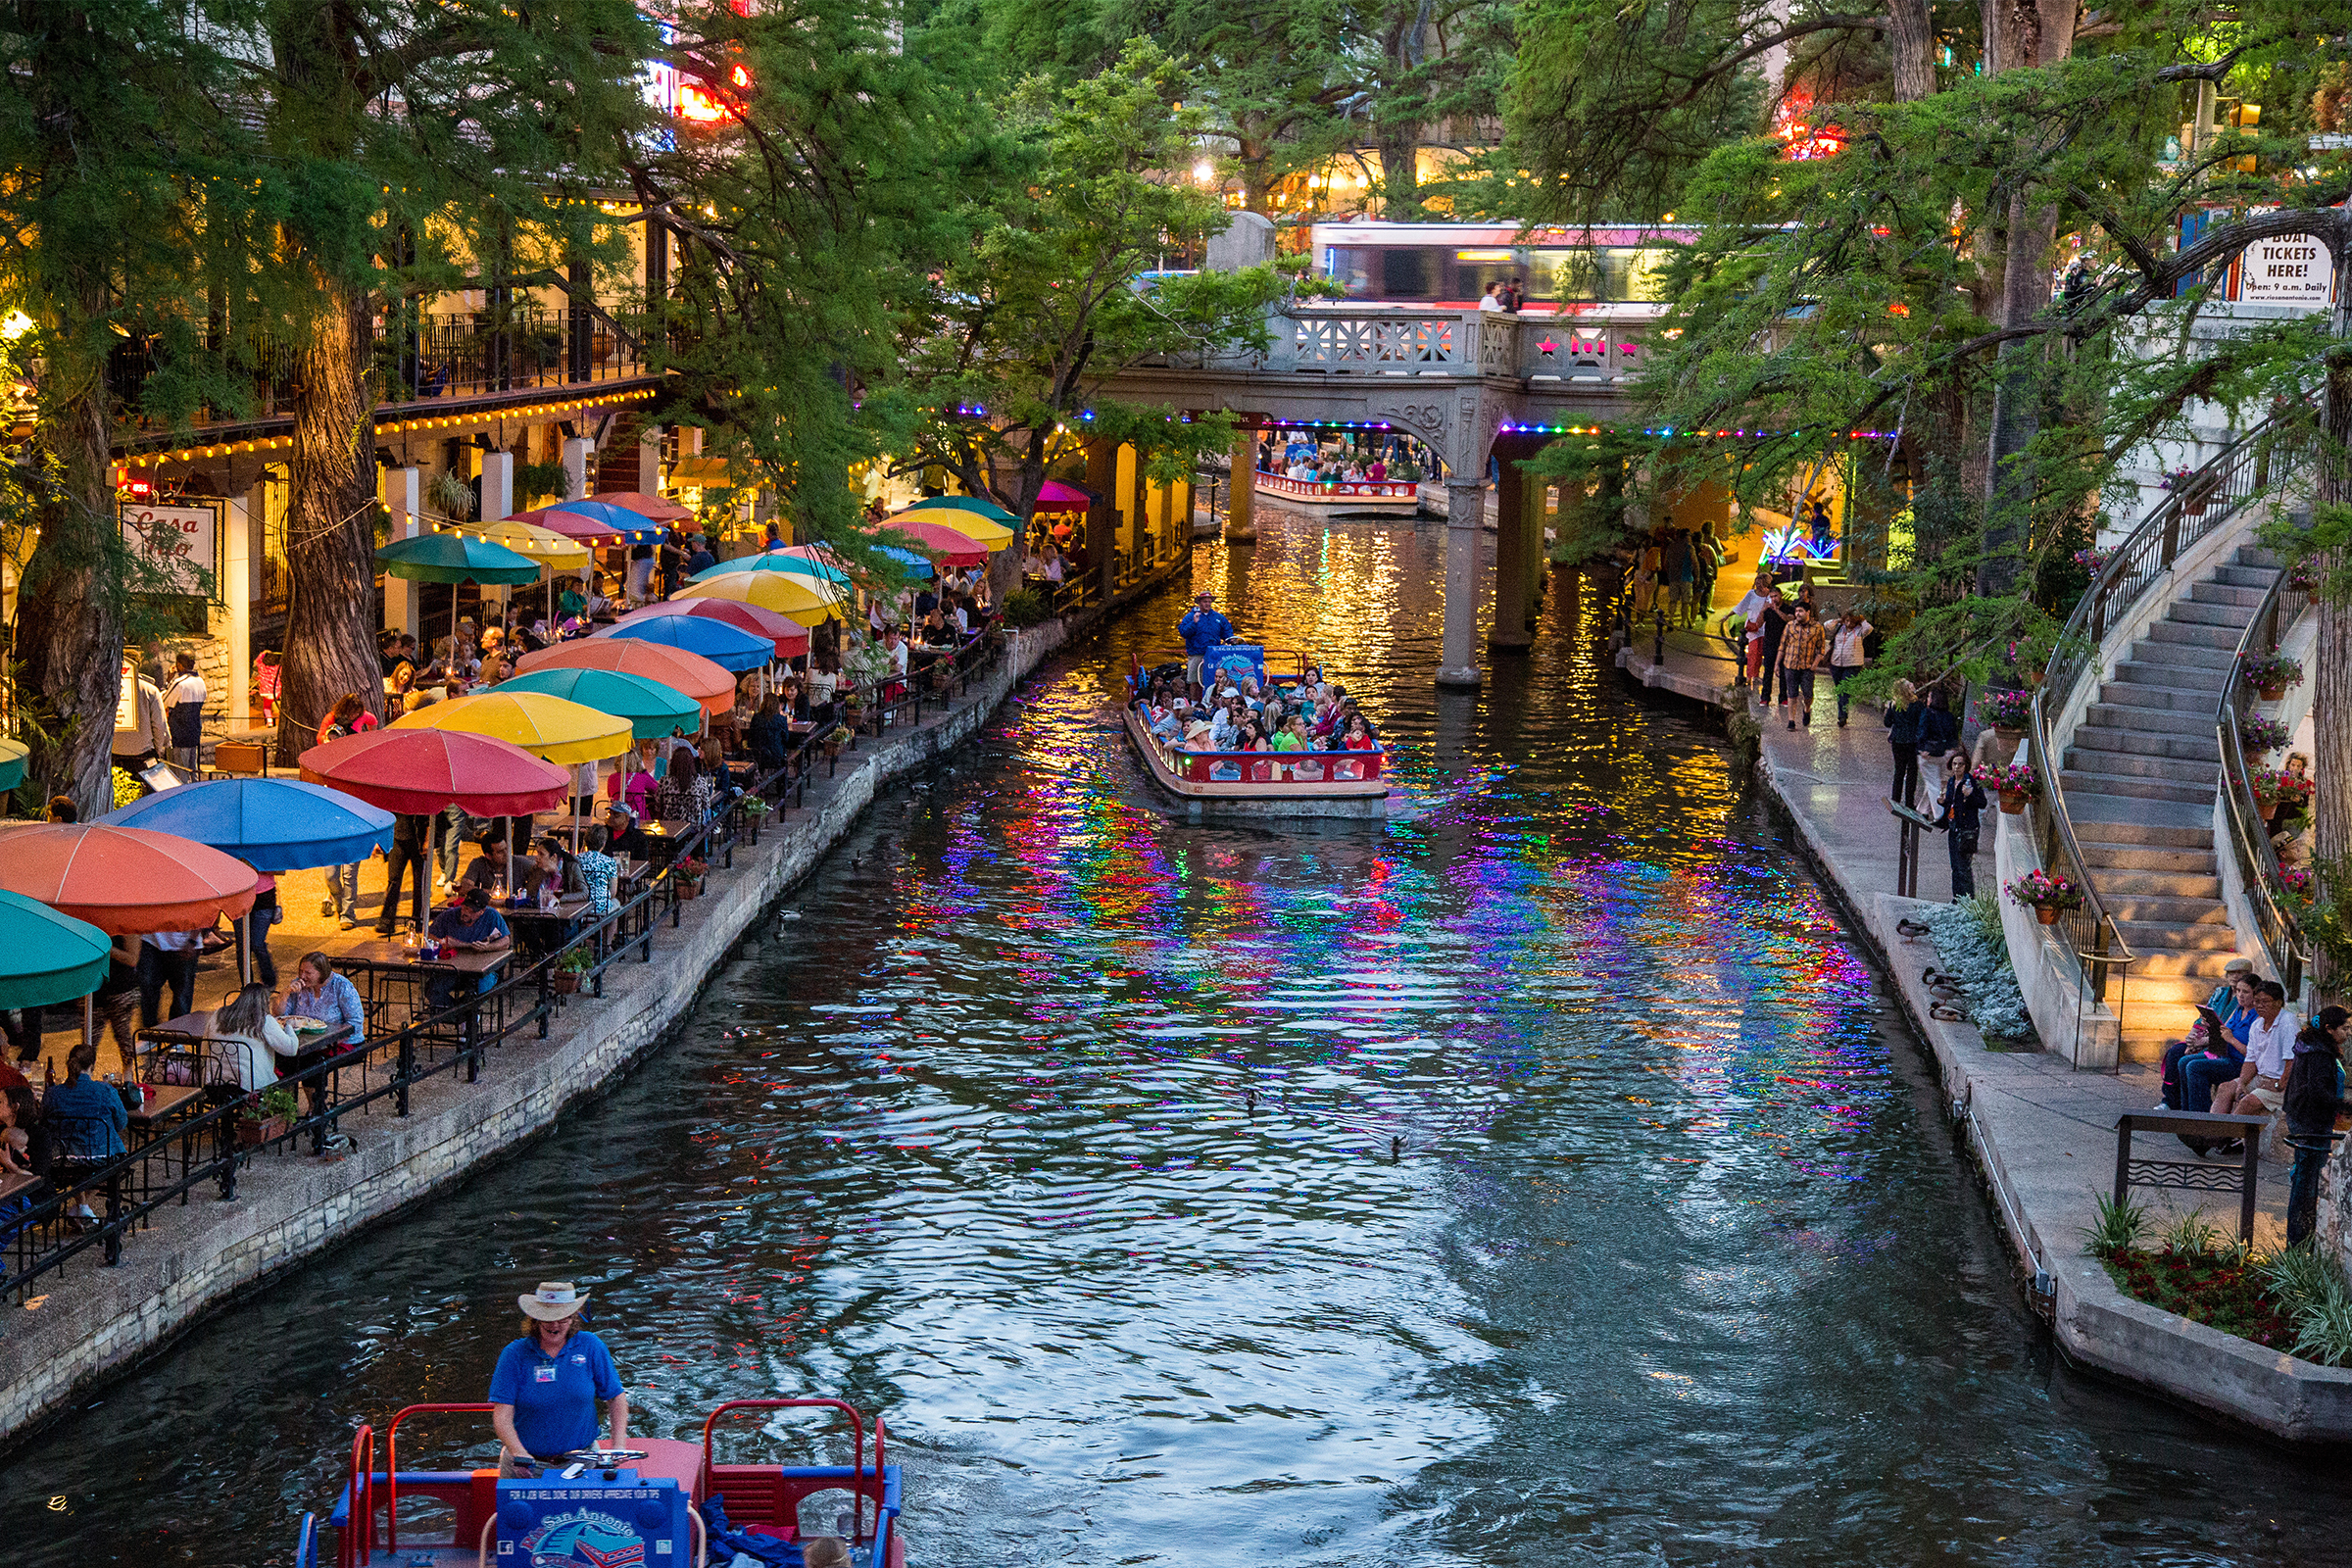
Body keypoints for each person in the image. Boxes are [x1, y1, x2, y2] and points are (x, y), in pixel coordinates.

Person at [489, 1282, 629, 1476]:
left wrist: (618, 1445)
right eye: (547, 1318)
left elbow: (616, 1398)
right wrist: (518, 1453)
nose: (555, 1325)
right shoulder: (514, 1354)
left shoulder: (591, 1346)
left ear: (573, 1318)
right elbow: (502, 1414)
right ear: (535, 1319)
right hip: (527, 1464)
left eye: (563, 1319)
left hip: (583, 1462)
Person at [2283, 1006, 2352, 1247]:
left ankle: (2299, 1237)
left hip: (2301, 1116)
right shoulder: (2320, 1053)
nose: (2348, 1033)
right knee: (2307, 1180)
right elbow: (2318, 1092)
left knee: (2303, 1176)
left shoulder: (2310, 1045)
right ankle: (2300, 1240)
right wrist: (2344, 1105)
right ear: (2329, 1029)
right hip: (2311, 1122)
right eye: (2344, 1028)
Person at [318, 694, 377, 927]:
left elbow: (372, 722)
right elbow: (320, 738)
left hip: (353, 824)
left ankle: (347, 914)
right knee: (332, 876)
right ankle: (337, 899)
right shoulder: (327, 770)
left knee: (350, 873)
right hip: (332, 826)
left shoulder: (359, 770)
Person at [2212, 980, 2298, 1122]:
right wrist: (2242, 1084)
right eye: (2257, 1001)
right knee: (2225, 1088)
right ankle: (2214, 1131)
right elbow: (2250, 1060)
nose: (2259, 1005)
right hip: (2261, 1078)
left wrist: (2279, 1085)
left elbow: (2292, 1060)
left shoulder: (2288, 1022)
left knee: (2248, 1102)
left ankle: (2226, 1137)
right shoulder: (2257, 1024)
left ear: (2278, 1002)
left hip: (2282, 1084)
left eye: (2265, 1001)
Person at [43, 1039, 129, 1164]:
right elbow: (121, 1123)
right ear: (93, 1064)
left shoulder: (52, 1094)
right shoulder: (105, 1090)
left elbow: (44, 1126)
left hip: (63, 1159)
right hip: (103, 1158)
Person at [208, 981, 302, 1093]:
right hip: (249, 1088)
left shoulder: (218, 1014)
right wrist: (289, 1027)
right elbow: (291, 1049)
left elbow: (206, 1043)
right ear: (264, 1002)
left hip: (214, 1083)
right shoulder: (264, 1020)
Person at [1932, 752, 1987, 901]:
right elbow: (1950, 802)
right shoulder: (1951, 782)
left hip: (1967, 828)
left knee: (1964, 866)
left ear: (1966, 766)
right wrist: (1942, 801)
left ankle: (1968, 899)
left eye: (1960, 764)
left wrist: (1970, 795)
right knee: (1955, 866)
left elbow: (1982, 803)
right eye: (1955, 764)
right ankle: (1957, 898)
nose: (1957, 767)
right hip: (1953, 826)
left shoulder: (1971, 782)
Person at [376, 812, 434, 937]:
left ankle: (418, 919)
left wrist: (428, 840)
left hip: (418, 838)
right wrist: (380, 841)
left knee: (420, 882)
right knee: (393, 879)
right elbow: (384, 814)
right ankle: (387, 920)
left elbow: (429, 817)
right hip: (397, 838)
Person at [113, 654, 172, 775]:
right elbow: (159, 725)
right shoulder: (150, 690)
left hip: (113, 753)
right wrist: (158, 748)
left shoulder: (108, 688)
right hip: (142, 753)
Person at [136, 928, 202, 1030]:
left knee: (182, 994)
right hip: (150, 940)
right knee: (147, 987)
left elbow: (202, 914)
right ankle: (150, 1032)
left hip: (183, 942)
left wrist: (192, 939)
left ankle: (177, 1035)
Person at [1777, 604, 1828, 730]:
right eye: (1796, 611)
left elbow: (1821, 649)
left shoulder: (1817, 628)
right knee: (1792, 694)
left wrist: (1815, 664)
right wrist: (1777, 664)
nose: (1798, 614)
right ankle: (1791, 720)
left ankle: (1807, 709)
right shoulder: (1790, 626)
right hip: (1791, 664)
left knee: (1808, 694)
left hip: (1807, 666)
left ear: (1808, 612)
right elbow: (1782, 646)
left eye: (1801, 611)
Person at [1178, 592, 1236, 690]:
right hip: (1197, 654)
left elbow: (1227, 633)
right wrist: (1193, 623)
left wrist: (1233, 641)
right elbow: (1183, 632)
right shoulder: (1190, 617)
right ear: (1199, 602)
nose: (1207, 604)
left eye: (1209, 602)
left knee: (1216, 680)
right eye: (1205, 601)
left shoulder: (1219, 618)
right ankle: (1194, 703)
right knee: (1195, 681)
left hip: (1214, 654)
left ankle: (1213, 699)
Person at [1884, 679, 1925, 807]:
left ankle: (1895, 798)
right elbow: (1922, 722)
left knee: (1899, 770)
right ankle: (1909, 801)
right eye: (1910, 684)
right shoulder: (1918, 705)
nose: (1913, 684)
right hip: (1912, 740)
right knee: (1912, 771)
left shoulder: (1893, 705)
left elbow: (1887, 722)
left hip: (1898, 739)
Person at [1827, 610, 1872, 726]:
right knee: (1839, 690)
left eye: (1851, 622)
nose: (1848, 624)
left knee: (1845, 690)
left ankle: (1842, 716)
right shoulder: (1840, 629)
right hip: (1836, 663)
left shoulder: (1860, 630)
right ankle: (1842, 714)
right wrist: (1839, 620)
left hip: (1853, 664)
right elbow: (1827, 625)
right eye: (1846, 621)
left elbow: (1869, 628)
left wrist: (1862, 620)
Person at [166, 652, 207, 770]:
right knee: (193, 769)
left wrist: (168, 681)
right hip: (194, 733)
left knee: (180, 771)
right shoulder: (201, 682)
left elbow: (164, 702)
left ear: (179, 665)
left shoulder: (180, 683)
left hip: (180, 734)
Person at [1919, 685, 1961, 764]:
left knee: (1931, 775)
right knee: (1945, 775)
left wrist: (1921, 748)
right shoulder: (1949, 715)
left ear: (1932, 700)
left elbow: (1923, 731)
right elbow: (1954, 733)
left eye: (1928, 697)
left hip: (1930, 751)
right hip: (1947, 751)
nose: (1926, 699)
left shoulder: (1927, 713)